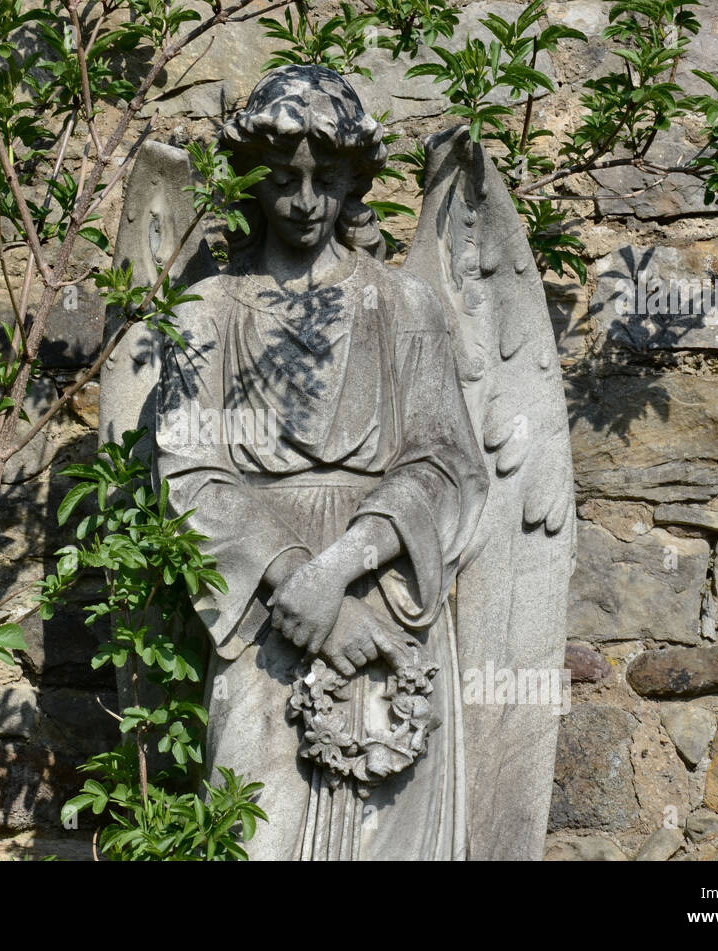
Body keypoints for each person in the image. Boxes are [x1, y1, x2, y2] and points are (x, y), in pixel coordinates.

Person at [153, 65, 488, 860]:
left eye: (325, 180)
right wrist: (302, 587)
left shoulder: (405, 306)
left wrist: (338, 572)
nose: (305, 201)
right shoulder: (204, 313)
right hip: (263, 610)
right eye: (282, 179)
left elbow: (445, 464)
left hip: (388, 606)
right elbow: (188, 472)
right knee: (252, 833)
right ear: (252, 182)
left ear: (352, 181)